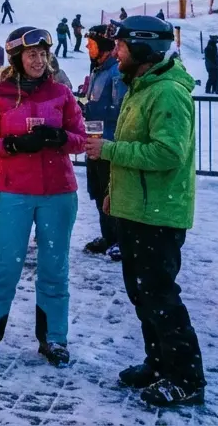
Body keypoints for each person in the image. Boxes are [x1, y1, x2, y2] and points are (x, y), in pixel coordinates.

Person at [85, 17, 205, 407]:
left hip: (159, 213)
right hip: (136, 209)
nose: (116, 52)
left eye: (122, 46)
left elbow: (168, 153)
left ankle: (187, 379)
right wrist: (113, 193)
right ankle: (158, 364)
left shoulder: (167, 92)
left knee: (161, 296)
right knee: (142, 295)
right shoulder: (140, 87)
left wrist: (108, 151)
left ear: (143, 49)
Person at [0, 26, 85, 367]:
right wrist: (13, 144)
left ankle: (54, 338)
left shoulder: (61, 93)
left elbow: (81, 139)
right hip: (15, 192)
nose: (39, 60)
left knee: (54, 266)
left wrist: (59, 138)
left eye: (43, 54)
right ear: (17, 58)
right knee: (6, 264)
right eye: (32, 54)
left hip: (58, 193)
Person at [81, 24, 126, 261]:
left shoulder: (116, 73)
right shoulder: (98, 70)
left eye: (92, 44)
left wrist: (93, 109)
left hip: (110, 142)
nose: (88, 47)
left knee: (112, 192)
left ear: (104, 47)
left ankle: (120, 240)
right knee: (98, 191)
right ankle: (108, 236)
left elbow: (121, 109)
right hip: (95, 141)